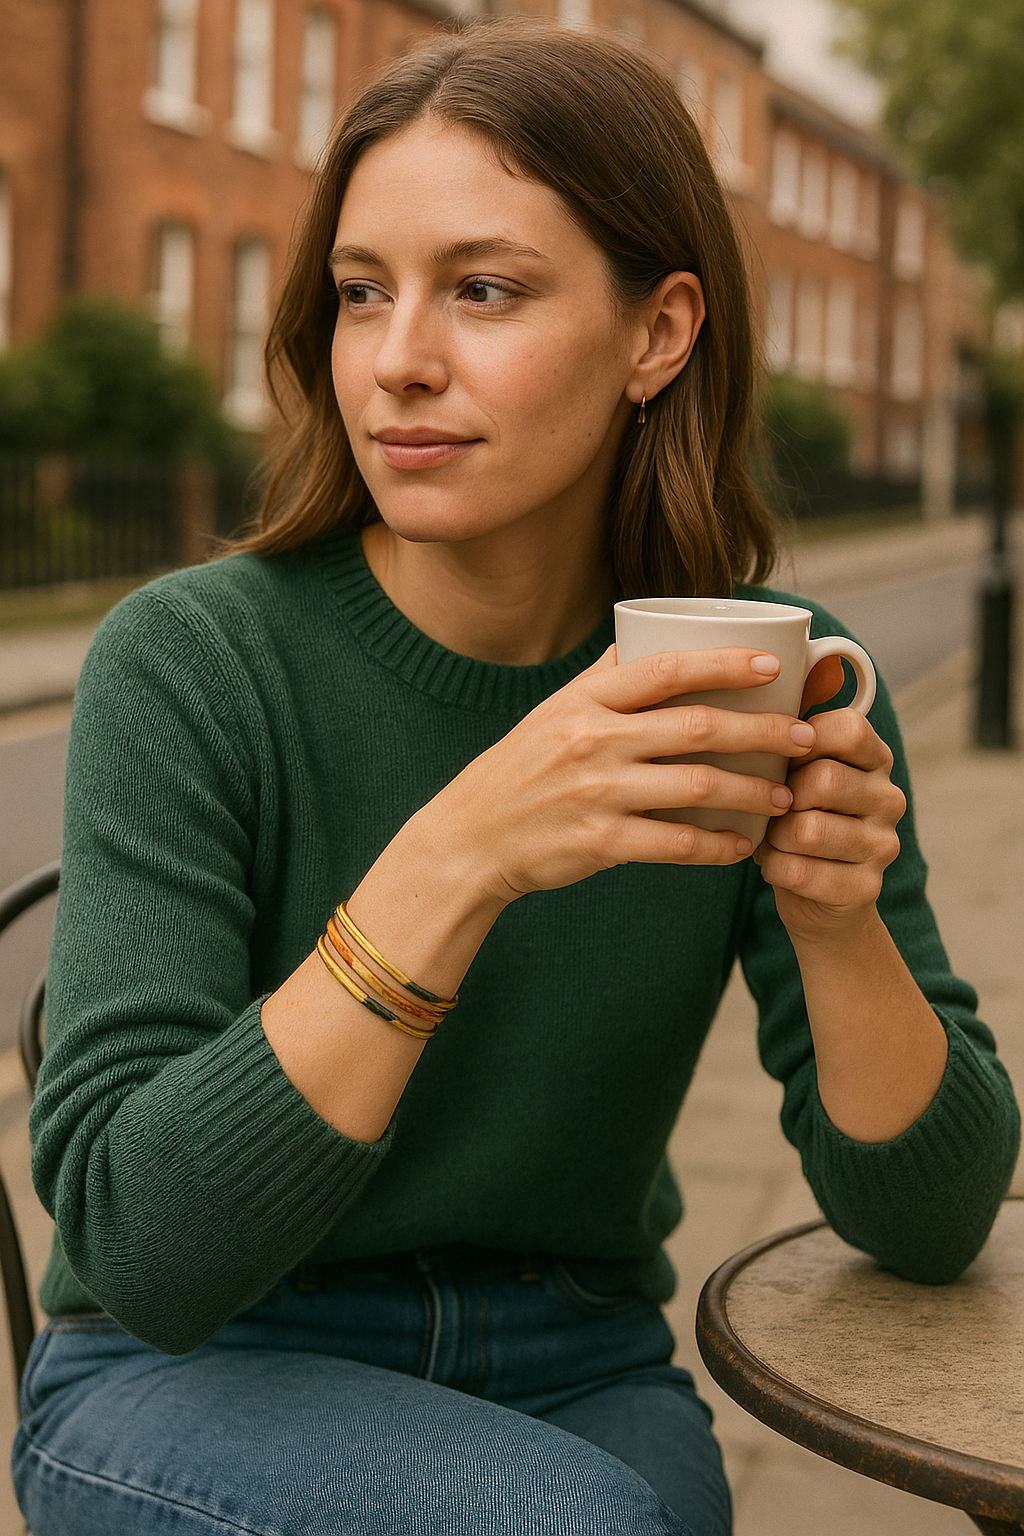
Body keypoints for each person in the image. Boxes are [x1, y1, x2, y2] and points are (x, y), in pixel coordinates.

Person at [12, 22, 1019, 1536]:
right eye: (363, 294)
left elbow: (933, 1225)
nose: (400, 359)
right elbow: (140, 1250)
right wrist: (460, 858)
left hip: (579, 1359)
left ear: (658, 333)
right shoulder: (194, 660)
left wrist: (837, 919)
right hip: (201, 1363)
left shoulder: (770, 675)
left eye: (483, 290)